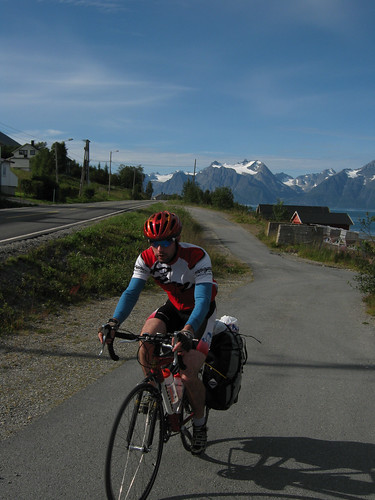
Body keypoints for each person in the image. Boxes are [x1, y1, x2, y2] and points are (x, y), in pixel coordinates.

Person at [99, 210, 217, 455]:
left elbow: (203, 299)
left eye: (165, 242)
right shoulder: (146, 258)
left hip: (200, 314)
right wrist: (113, 323)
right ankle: (154, 390)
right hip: (173, 307)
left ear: (176, 239)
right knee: (145, 344)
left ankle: (199, 424)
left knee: (187, 373)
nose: (159, 248)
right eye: (153, 242)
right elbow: (131, 293)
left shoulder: (196, 256)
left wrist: (187, 330)